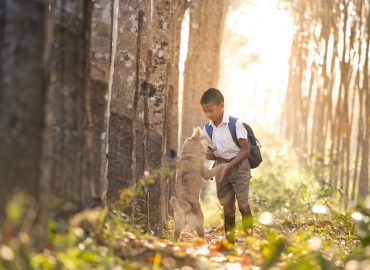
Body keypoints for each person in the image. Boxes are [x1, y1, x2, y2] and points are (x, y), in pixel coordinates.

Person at [200, 88, 253, 243]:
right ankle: (230, 242)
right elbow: (211, 153)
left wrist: (229, 167)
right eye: (205, 111)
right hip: (220, 167)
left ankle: (250, 240)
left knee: (243, 204)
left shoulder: (235, 123)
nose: (209, 115)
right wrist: (199, 154)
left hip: (239, 166)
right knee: (227, 207)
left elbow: (245, 150)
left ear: (221, 105)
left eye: (211, 110)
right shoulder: (208, 128)